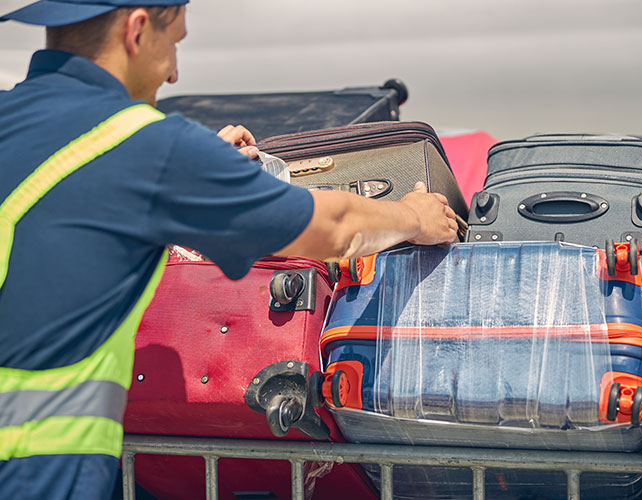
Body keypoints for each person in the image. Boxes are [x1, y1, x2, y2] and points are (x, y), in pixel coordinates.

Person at [0, 1, 457, 498]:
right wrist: (414, 215)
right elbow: (335, 227)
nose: (173, 74)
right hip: (38, 472)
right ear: (136, 30)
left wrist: (207, 171)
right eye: (174, 41)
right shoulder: (144, 146)